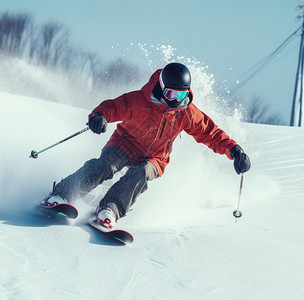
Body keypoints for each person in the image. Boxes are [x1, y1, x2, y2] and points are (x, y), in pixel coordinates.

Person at [41, 62, 251, 229]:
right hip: (124, 144)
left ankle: (109, 210)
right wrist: (99, 116)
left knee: (142, 174)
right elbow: (113, 107)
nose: (174, 100)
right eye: (170, 94)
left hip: (155, 158)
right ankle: (61, 194)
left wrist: (235, 151)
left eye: (180, 95)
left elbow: (210, 132)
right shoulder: (140, 100)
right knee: (106, 165)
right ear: (161, 87)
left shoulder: (186, 112)